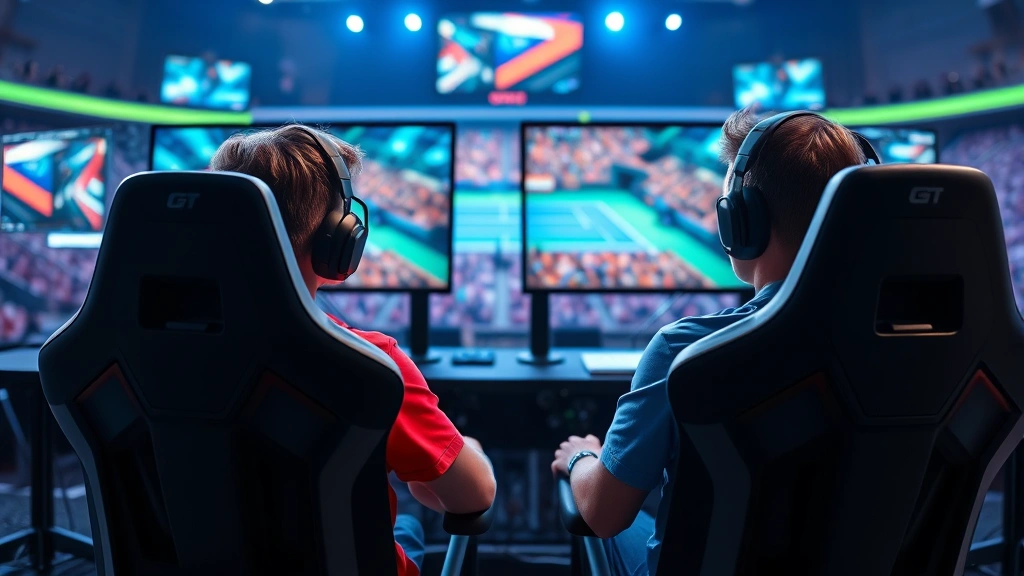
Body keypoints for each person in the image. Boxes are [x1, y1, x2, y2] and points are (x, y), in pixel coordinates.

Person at [550, 107, 870, 576]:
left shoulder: (685, 351)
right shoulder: (915, 343)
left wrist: (582, 456)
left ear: (740, 221)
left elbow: (603, 513)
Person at [210, 124, 496, 576]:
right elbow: (474, 496)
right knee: (409, 527)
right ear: (337, 242)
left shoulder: (141, 351)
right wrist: (466, 452)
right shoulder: (370, 364)